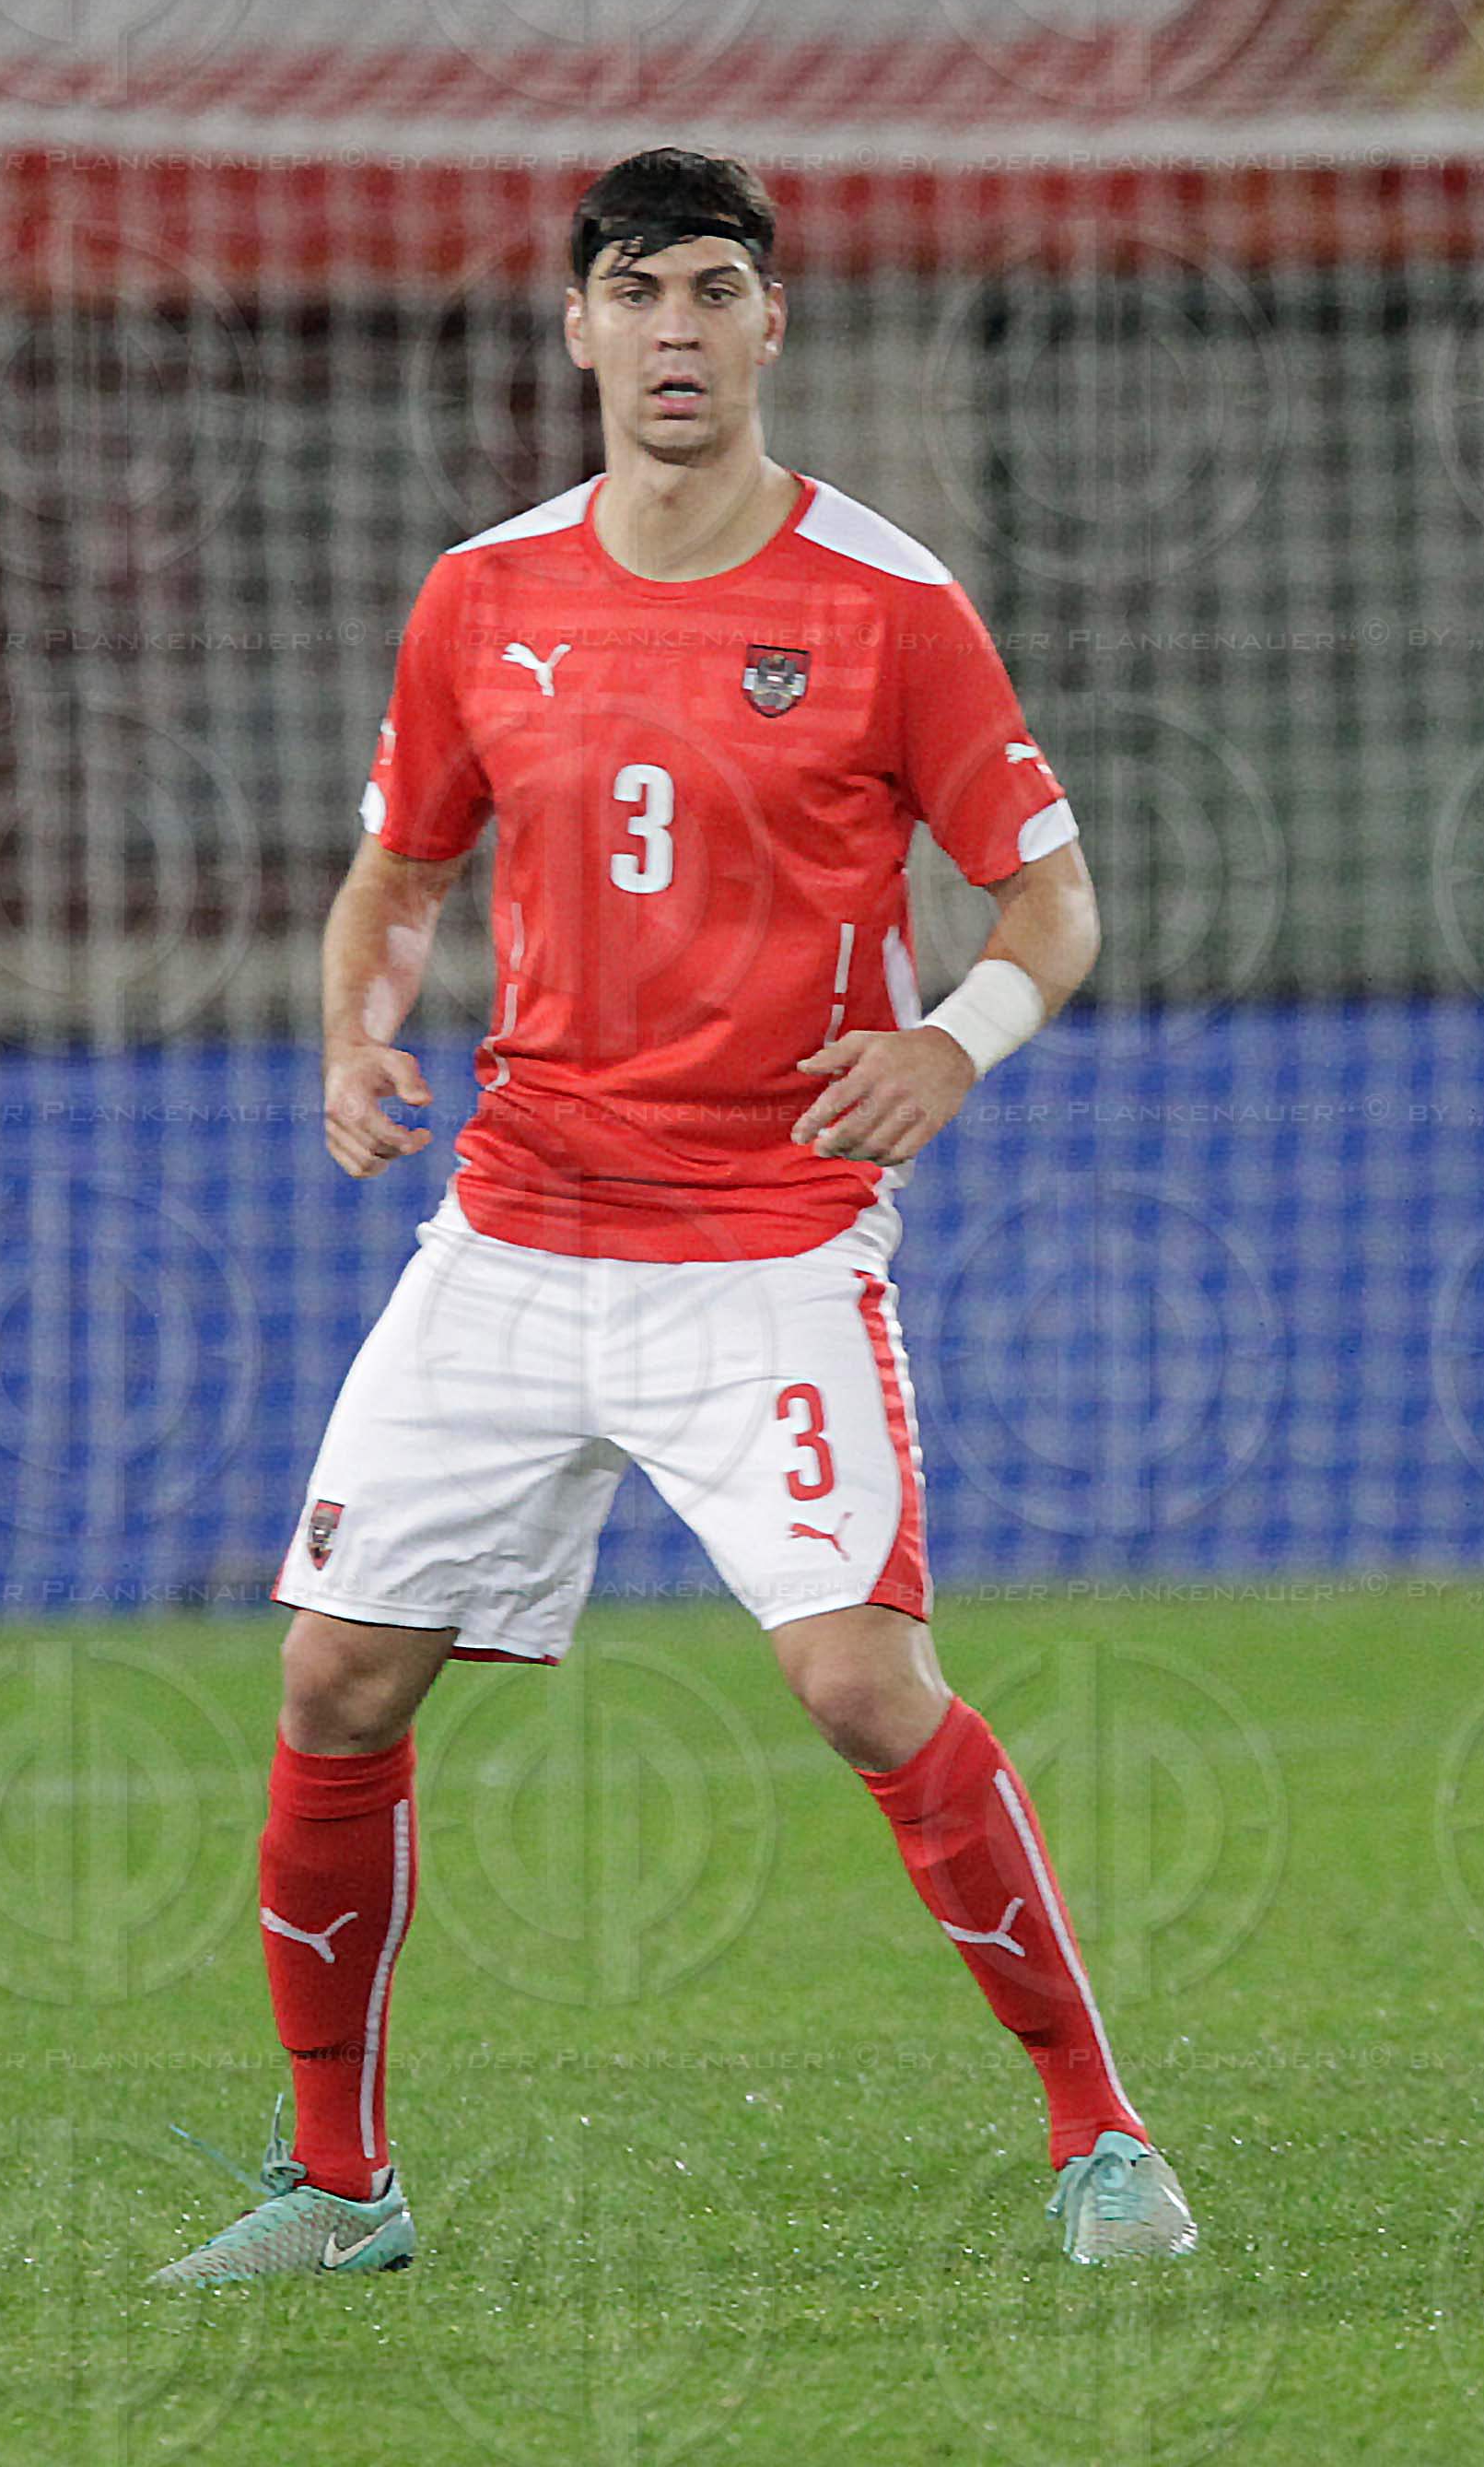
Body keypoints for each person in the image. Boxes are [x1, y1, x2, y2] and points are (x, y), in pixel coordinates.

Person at [156, 148, 1192, 2281]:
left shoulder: (889, 604)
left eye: (717, 289)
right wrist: (355, 1035)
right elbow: (399, 868)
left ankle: (1106, 2140)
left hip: (769, 1244)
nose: (679, 331)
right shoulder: (483, 596)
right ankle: (338, 2187)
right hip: (518, 1231)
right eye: (639, 293)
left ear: (772, 323)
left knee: (858, 1687)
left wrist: (956, 1043)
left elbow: (1054, 901)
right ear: (580, 329)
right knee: (338, 1679)